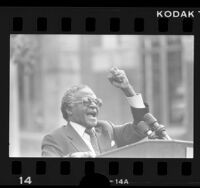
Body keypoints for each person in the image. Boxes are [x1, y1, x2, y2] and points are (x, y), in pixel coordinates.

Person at [41, 67, 150, 157]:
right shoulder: (55, 139)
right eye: (87, 101)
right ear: (69, 109)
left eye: (96, 102)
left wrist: (127, 89)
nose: (93, 105)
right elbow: (49, 171)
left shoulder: (106, 129)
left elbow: (142, 126)